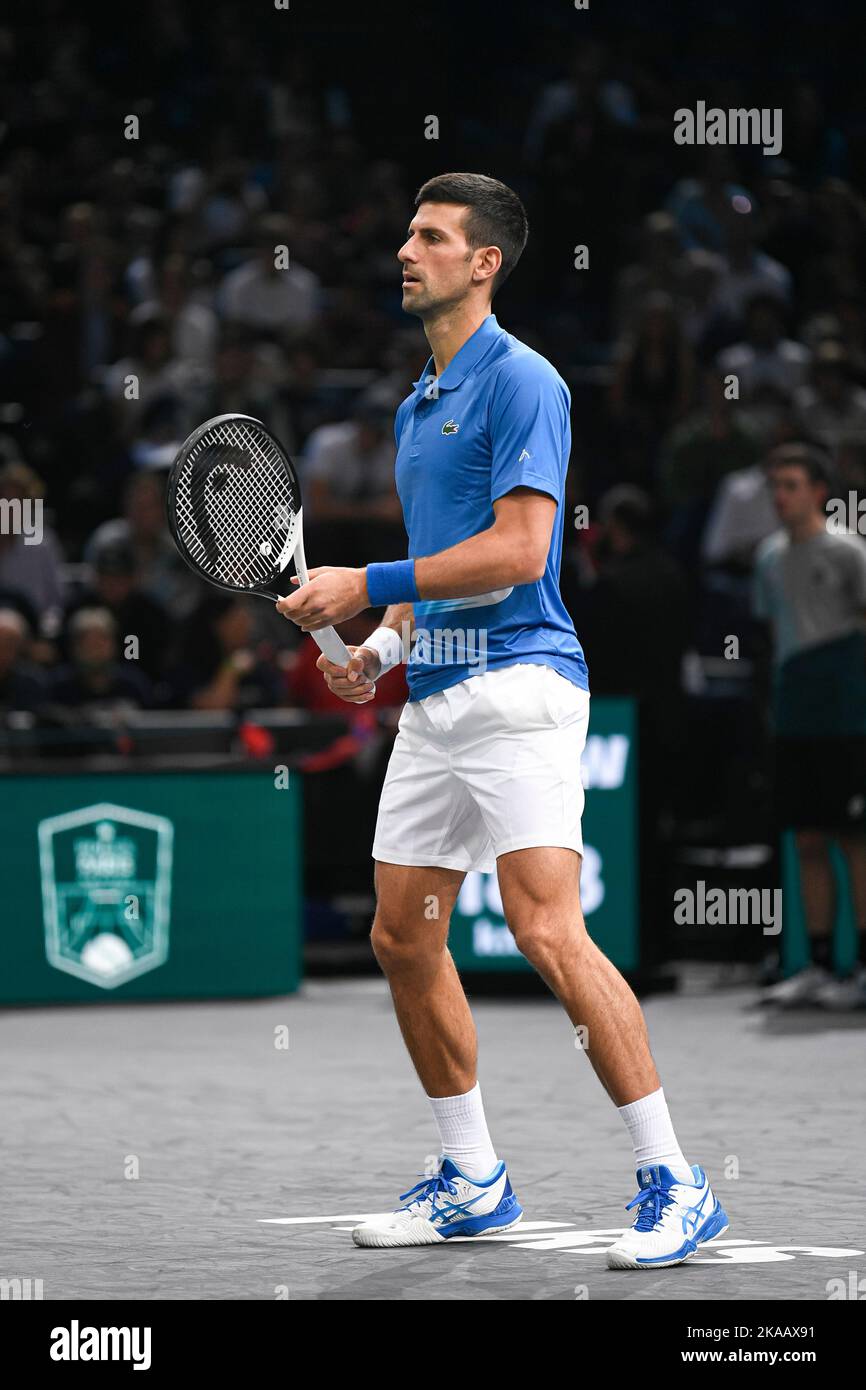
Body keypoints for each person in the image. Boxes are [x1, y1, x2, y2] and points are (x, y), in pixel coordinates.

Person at [275, 171, 729, 1267]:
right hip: (435, 697)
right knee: (401, 935)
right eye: (406, 233)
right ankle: (473, 1177)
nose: (405, 250)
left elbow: (521, 553)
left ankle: (676, 1180)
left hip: (522, 684)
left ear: (484, 262)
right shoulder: (414, 404)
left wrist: (364, 580)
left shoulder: (524, 380)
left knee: (544, 929)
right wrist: (379, 647)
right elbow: (435, 562)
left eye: (430, 237)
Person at [753, 442, 866, 1008]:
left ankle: (860, 969)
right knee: (808, 840)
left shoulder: (849, 552)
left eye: (791, 485)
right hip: (795, 716)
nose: (780, 496)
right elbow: (776, 633)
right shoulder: (768, 558)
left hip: (846, 717)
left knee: (854, 839)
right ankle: (818, 967)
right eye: (775, 486)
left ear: (819, 492)